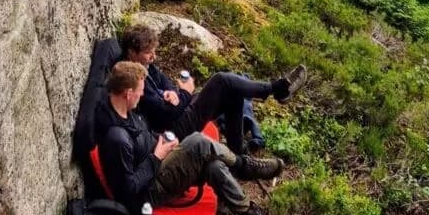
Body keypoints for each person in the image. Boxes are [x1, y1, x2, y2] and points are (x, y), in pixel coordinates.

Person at [94, 61, 285, 215]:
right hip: (150, 191)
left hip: (160, 163)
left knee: (213, 165)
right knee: (198, 142)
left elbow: (144, 139)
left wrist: (163, 143)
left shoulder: (126, 111)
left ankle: (248, 214)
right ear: (128, 93)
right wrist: (156, 156)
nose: (141, 96)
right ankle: (243, 166)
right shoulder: (116, 138)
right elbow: (128, 191)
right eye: (139, 92)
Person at [121, 24, 306, 156]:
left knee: (233, 93)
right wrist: (184, 93)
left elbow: (165, 82)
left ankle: (238, 153)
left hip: (178, 112)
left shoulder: (145, 66)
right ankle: (276, 89)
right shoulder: (132, 81)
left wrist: (173, 93)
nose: (153, 56)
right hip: (173, 130)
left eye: (154, 51)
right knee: (221, 80)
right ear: (132, 52)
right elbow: (165, 114)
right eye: (148, 53)